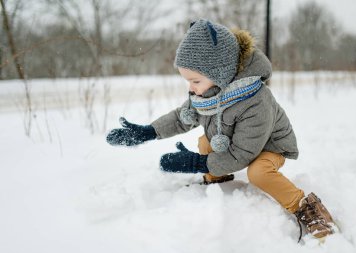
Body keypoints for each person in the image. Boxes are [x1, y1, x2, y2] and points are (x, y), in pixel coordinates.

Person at [106, 19, 336, 241]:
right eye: (187, 81)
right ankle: (219, 179)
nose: (191, 88)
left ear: (220, 73)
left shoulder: (256, 101)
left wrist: (196, 163)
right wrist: (148, 132)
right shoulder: (207, 93)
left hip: (270, 147)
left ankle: (307, 209)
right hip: (235, 143)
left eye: (195, 81)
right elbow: (181, 117)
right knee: (205, 142)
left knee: (258, 172)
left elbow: (241, 155)